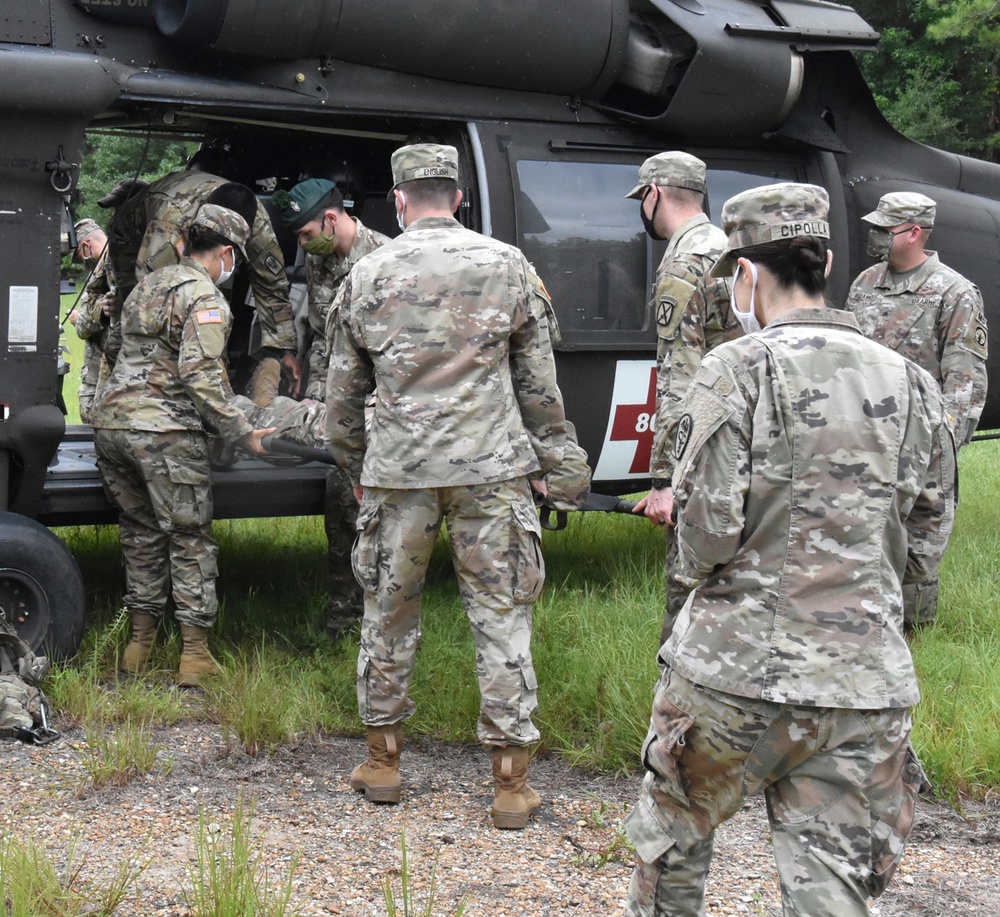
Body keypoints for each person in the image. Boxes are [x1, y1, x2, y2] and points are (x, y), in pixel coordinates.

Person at [625, 183, 956, 916]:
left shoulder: (735, 371)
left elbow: (705, 538)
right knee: (834, 888)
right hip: (862, 687)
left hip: (734, 675)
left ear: (744, 275)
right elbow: (928, 539)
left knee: (672, 852)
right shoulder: (913, 382)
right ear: (830, 260)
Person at [325, 143, 567, 829]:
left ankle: (383, 761)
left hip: (400, 475)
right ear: (458, 197)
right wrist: (554, 461)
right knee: (501, 617)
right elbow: (539, 386)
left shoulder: (367, 273)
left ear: (399, 200)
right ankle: (510, 782)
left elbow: (341, 401)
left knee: (388, 613)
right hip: (492, 472)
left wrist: (358, 469)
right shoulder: (507, 266)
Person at [91, 205, 275, 687]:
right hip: (164, 432)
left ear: (181, 244)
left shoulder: (145, 287)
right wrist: (241, 431)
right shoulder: (206, 297)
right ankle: (194, 656)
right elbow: (201, 375)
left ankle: (138, 647)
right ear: (227, 253)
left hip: (112, 427)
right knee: (188, 538)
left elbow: (112, 351)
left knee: (140, 533)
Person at [847, 191, 987, 626]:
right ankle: (861, 624)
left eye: (883, 230)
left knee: (919, 545)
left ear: (913, 233)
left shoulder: (954, 292)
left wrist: (939, 445)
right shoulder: (865, 284)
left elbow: (965, 382)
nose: (874, 237)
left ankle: (913, 637)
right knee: (863, 536)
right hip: (866, 437)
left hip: (924, 442)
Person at [624, 152, 736, 641]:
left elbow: (678, 380)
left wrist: (664, 479)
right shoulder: (728, 248)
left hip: (705, 449)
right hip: (746, 439)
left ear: (655, 195)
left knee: (687, 592)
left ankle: (678, 704)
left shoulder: (684, 263)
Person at [271, 179, 391, 635]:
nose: (303, 245)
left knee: (353, 503)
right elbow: (325, 336)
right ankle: (348, 611)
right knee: (339, 502)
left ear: (332, 218)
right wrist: (318, 396)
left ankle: (361, 617)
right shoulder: (321, 259)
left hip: (379, 402)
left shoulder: (384, 258)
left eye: (305, 234)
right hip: (339, 397)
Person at [105, 169, 302, 396]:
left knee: (207, 306)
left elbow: (272, 286)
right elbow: (153, 298)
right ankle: (139, 389)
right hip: (130, 238)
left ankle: (213, 380)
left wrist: (284, 349)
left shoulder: (256, 220)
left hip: (195, 227)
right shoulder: (172, 220)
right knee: (146, 318)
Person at [67, 217, 117, 423]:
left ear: (86, 246)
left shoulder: (107, 266)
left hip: (104, 365)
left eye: (81, 255)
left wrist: (78, 319)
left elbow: (85, 326)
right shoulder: (116, 262)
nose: (84, 261)